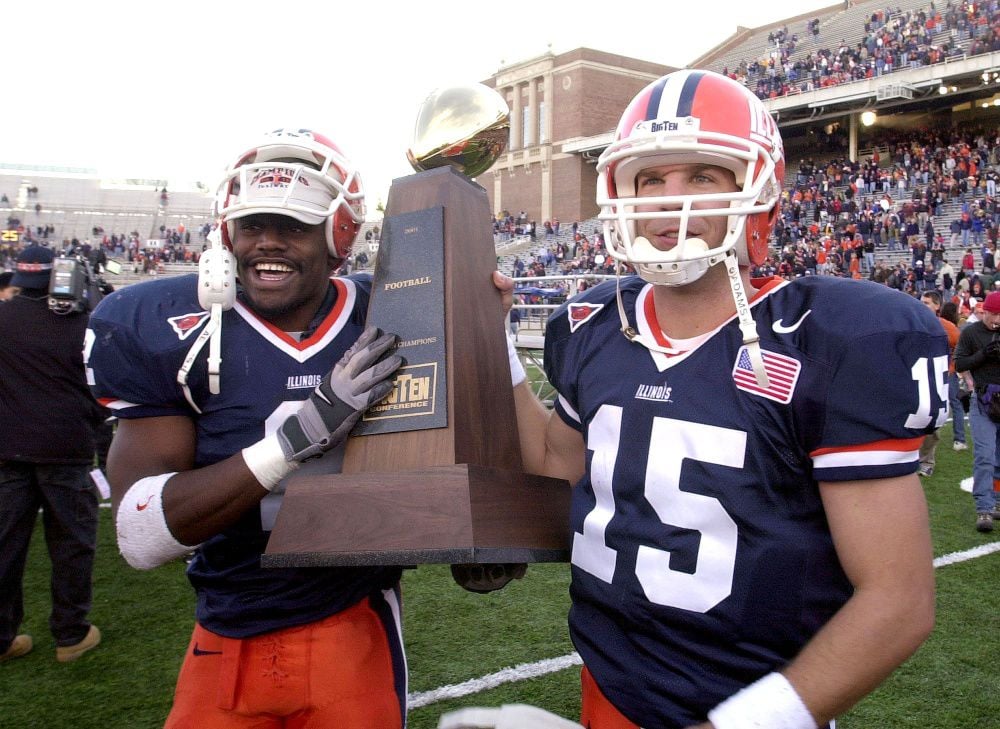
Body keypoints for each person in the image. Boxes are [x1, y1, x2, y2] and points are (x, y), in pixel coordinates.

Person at [496, 70, 943, 729]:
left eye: (703, 175)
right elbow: (550, 468)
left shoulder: (829, 337)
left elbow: (899, 599)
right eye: (650, 179)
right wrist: (490, 336)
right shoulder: (592, 322)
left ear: (756, 187)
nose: (669, 201)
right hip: (611, 683)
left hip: (756, 704)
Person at [86, 129, 408, 727]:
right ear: (225, 230)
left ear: (338, 234)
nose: (267, 243)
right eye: (252, 224)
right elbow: (139, 535)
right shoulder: (174, 328)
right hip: (225, 621)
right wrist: (294, 441)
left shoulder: (385, 313)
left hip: (351, 614)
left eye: (293, 226)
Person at [0, 244, 106, 664]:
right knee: (71, 545)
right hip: (66, 448)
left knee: (5, 546)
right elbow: (102, 389)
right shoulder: (81, 324)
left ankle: (2, 637)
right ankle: (70, 634)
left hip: (8, 450)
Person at [953, 290, 1000, 532]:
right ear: (985, 312)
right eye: (994, 315)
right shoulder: (971, 332)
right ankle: (984, 507)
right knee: (984, 454)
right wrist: (984, 354)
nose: (997, 320)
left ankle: (997, 501)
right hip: (983, 398)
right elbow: (959, 363)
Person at [917, 290, 963, 476]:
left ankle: (927, 461)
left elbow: (961, 349)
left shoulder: (948, 328)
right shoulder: (913, 323)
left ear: (937, 306)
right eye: (921, 301)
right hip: (916, 376)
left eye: (927, 303)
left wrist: (950, 368)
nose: (922, 305)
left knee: (933, 422)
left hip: (938, 379)